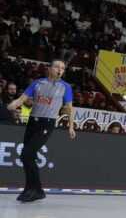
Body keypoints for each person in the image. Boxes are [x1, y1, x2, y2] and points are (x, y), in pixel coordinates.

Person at [6, 59, 76, 202]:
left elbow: (69, 108)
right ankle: (31, 189)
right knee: (27, 157)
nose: (60, 69)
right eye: (57, 66)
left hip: (47, 123)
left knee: (27, 154)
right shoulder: (37, 83)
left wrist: (70, 126)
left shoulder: (65, 87)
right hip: (32, 122)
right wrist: (14, 104)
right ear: (49, 68)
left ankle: (35, 189)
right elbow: (23, 97)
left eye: (62, 68)